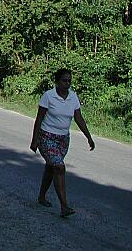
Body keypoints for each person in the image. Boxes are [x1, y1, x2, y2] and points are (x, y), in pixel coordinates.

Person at [30, 68, 95, 217]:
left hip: (63, 140)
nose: (67, 84)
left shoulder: (73, 97)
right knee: (59, 167)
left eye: (69, 81)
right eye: (64, 80)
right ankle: (64, 206)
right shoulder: (48, 96)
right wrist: (35, 140)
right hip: (47, 137)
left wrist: (89, 137)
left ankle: (41, 197)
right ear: (57, 82)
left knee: (51, 167)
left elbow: (79, 118)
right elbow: (39, 119)